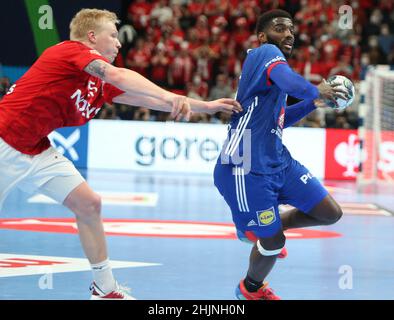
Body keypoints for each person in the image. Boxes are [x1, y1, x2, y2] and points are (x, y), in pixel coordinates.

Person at [0, 8, 241, 300]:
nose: (118, 43)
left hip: (35, 147)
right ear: (91, 37)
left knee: (89, 204)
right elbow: (117, 74)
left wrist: (206, 106)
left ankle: (105, 289)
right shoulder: (69, 51)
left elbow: (146, 98)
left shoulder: (98, 84)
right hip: (4, 141)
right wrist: (170, 96)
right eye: (112, 35)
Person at [213, 9, 349, 300]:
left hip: (278, 161)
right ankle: (250, 289)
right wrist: (316, 90)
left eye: (291, 29)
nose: (289, 34)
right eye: (280, 28)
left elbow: (281, 117)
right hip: (245, 164)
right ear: (263, 36)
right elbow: (288, 80)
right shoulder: (265, 53)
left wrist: (316, 103)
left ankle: (268, 225)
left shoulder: (272, 75)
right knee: (273, 243)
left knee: (329, 213)